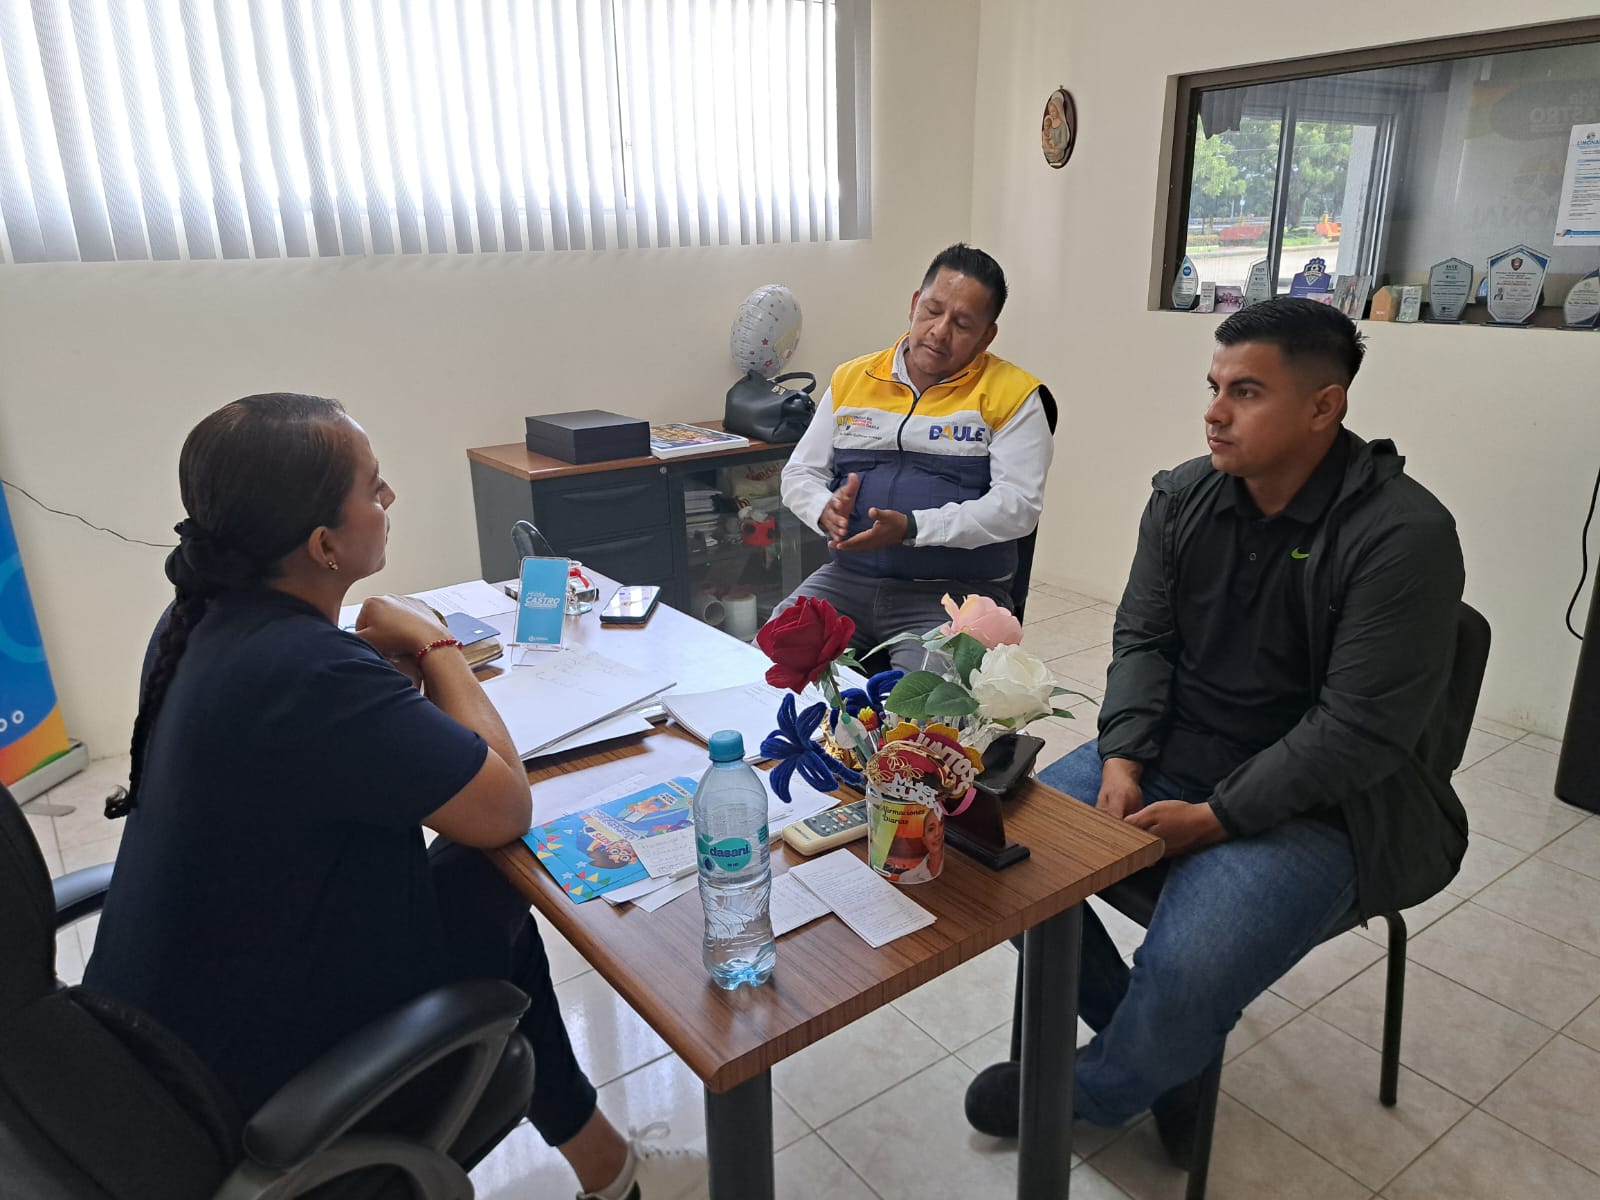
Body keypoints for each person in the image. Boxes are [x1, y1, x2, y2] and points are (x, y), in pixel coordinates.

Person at [84, 393, 705, 1200]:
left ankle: (608, 1169)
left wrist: (380, 673)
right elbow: (505, 806)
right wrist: (436, 641)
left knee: (478, 889)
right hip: (258, 1077)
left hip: (162, 1037)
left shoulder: (198, 620)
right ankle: (611, 1171)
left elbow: (321, 738)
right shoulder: (305, 673)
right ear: (323, 545)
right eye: (372, 487)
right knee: (494, 876)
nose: (390, 497)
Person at [963, 297, 1469, 1162]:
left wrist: (1217, 817)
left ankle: (1100, 1086)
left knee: (1189, 969)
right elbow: (1144, 639)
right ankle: (1169, 1058)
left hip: (1324, 807)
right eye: (1214, 387)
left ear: (1324, 406)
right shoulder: (1184, 497)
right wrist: (1124, 756)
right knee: (994, 850)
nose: (1215, 412)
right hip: (1171, 754)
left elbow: (1355, 732)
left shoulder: (1404, 537)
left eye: (1247, 392)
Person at [777, 244, 1055, 669]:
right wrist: (823, 508)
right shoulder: (852, 379)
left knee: (920, 702)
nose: (939, 331)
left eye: (962, 324)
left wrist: (914, 527)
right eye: (932, 311)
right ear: (913, 305)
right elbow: (800, 472)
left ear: (987, 336)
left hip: (955, 594)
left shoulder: (1014, 396)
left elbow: (1018, 506)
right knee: (770, 664)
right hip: (848, 580)